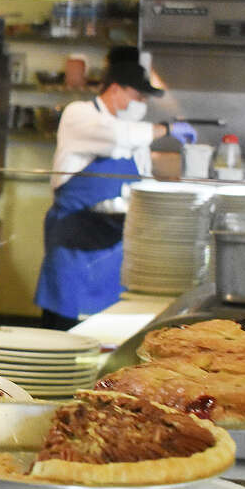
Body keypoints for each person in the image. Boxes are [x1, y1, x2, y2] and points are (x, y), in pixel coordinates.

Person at [34, 58, 196, 330]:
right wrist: (166, 129)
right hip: (74, 240)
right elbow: (115, 137)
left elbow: (142, 181)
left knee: (104, 332)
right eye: (138, 95)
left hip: (114, 249)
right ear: (116, 89)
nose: (141, 103)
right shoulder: (80, 114)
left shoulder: (137, 136)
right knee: (63, 331)